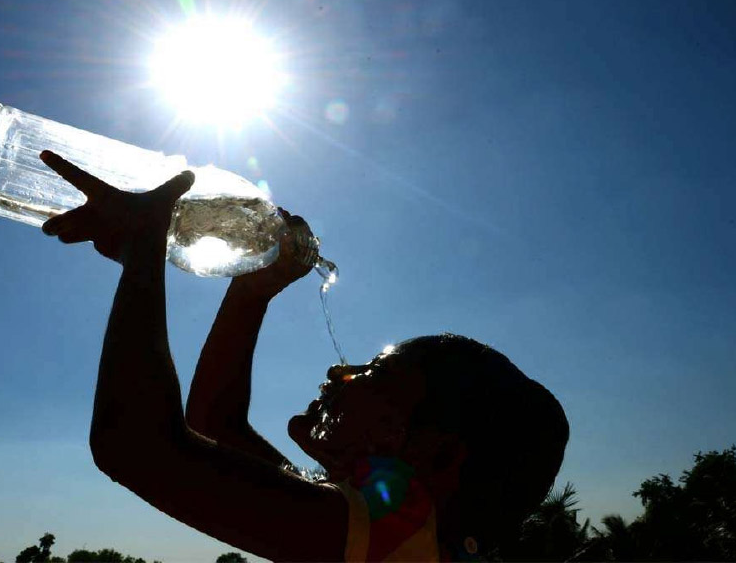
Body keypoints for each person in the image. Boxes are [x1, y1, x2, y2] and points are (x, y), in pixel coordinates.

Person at [39, 150, 569, 562]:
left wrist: (143, 248)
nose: (341, 371)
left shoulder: (400, 541)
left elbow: (136, 447)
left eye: (376, 373)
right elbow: (214, 424)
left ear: (438, 456)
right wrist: (251, 292)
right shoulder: (382, 535)